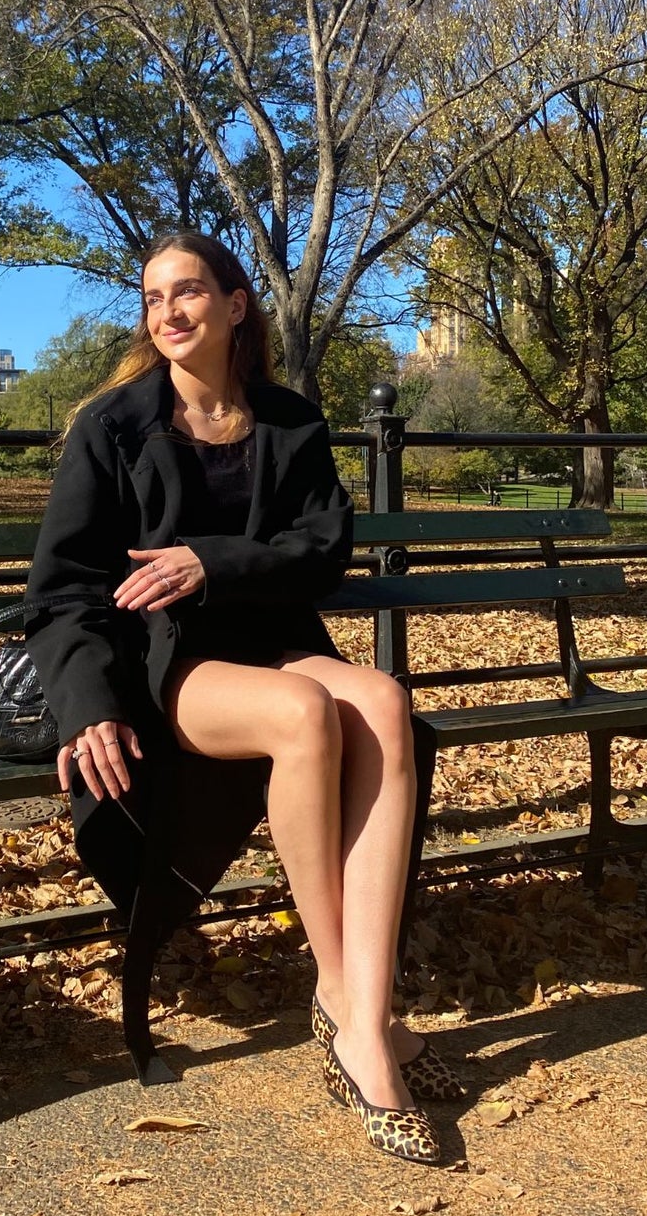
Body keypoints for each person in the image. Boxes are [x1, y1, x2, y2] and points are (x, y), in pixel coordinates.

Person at [25, 233, 460, 1166]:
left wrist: (207, 561)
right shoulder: (110, 428)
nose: (168, 312)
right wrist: (87, 705)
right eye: (153, 299)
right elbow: (60, 592)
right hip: (166, 667)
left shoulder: (289, 422)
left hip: (274, 642)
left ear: (234, 306)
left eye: (188, 293)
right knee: (303, 717)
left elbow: (322, 550)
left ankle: (356, 1005)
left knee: (382, 701)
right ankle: (355, 1015)